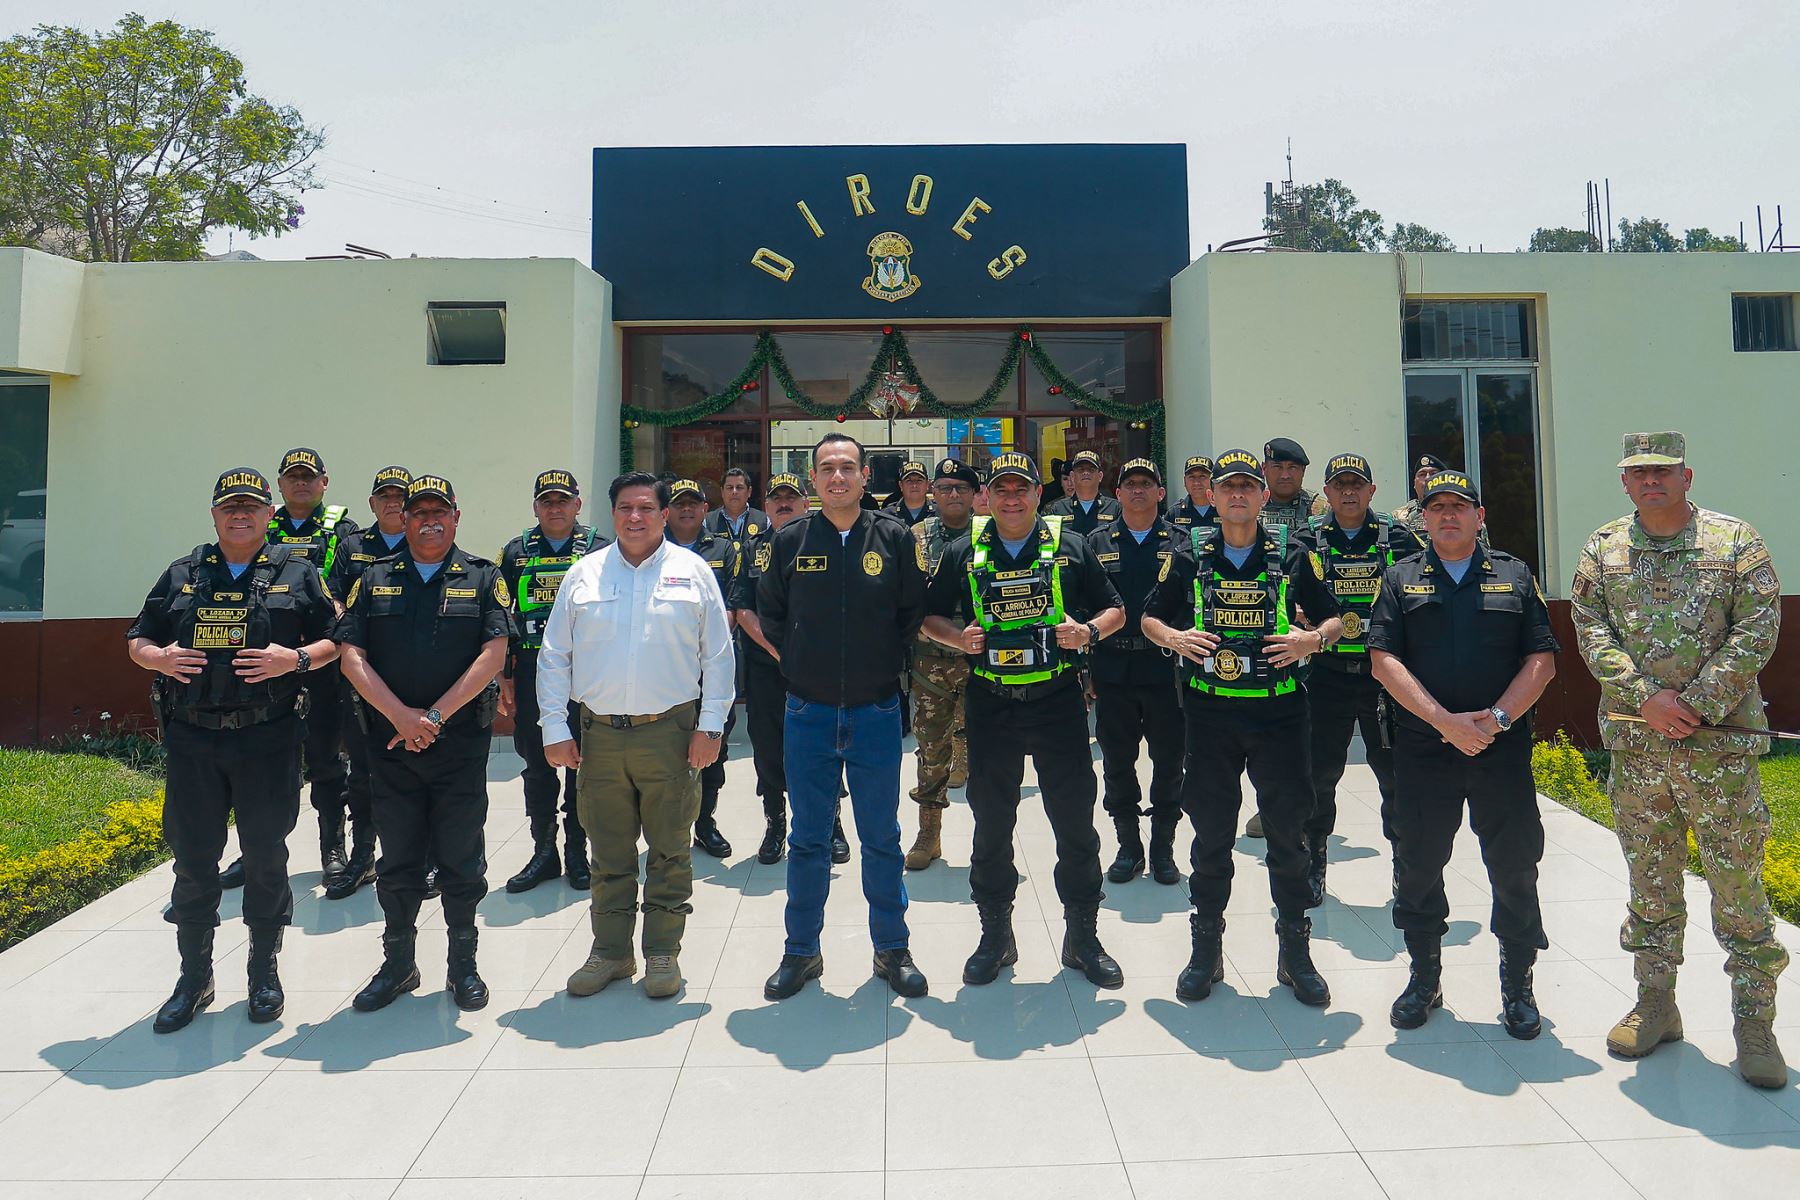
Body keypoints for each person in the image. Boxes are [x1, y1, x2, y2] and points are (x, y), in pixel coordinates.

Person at [1571, 432, 1788, 1088]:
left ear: (1687, 475)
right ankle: (1657, 1005)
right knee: (1652, 883)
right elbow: (1590, 627)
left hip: (1718, 747)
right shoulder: (1604, 549)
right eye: (1639, 473)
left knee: (1738, 888)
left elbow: (1759, 626)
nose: (1651, 481)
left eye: (1662, 470)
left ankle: (1755, 1025)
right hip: (1640, 749)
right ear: (1625, 482)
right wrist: (1646, 699)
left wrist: (1692, 702)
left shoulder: (1734, 542)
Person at [127, 468, 339, 1032]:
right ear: (214, 515)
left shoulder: (298, 572)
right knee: (194, 860)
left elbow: (337, 640)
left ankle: (262, 970)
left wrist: (291, 660)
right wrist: (160, 658)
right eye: (230, 507)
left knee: (266, 857)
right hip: (194, 738)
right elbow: (138, 639)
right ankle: (193, 979)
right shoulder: (183, 573)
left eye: (250, 506)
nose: (240, 515)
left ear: (269, 514)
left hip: (267, 737)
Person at [1142, 449, 1342, 1007]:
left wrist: (1311, 639)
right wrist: (1176, 639)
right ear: (1213, 494)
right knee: (1210, 835)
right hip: (1210, 716)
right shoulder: (1188, 553)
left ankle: (1294, 954)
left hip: (1279, 714)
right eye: (1226, 486)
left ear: (1260, 496)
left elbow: (1336, 617)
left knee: (1287, 835)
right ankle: (1206, 950)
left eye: (1246, 487)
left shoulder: (1296, 552)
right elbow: (1149, 616)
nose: (1236, 495)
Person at [922, 451, 1128, 989]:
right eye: (1002, 490)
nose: (1012, 499)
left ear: (1039, 494)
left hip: (1057, 701)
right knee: (992, 825)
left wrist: (1087, 632)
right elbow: (928, 615)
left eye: (1022, 489)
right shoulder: (965, 550)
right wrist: (956, 637)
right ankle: (996, 936)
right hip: (991, 704)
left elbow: (1116, 610)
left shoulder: (1072, 547)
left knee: (1075, 824)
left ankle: (1083, 935)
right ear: (986, 498)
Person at [1368, 468, 1558, 1039]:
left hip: (1499, 749)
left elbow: (1542, 661)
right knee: (1420, 863)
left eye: (1459, 506)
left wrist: (1495, 719)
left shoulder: (1515, 576)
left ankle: (1517, 984)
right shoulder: (1400, 579)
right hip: (1426, 749)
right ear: (1422, 519)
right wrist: (1444, 722)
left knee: (1515, 865)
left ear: (1480, 517)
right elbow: (1383, 661)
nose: (1448, 515)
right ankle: (1424, 977)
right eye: (1436, 507)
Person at [536, 472, 734, 999]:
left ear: (663, 514)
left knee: (670, 848)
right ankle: (610, 952)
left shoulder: (693, 573)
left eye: (646, 507)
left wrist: (710, 726)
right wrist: (554, 727)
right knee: (608, 851)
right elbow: (554, 655)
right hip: (599, 736)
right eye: (625, 508)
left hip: (670, 732)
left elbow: (717, 654)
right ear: (611, 513)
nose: (636, 517)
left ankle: (662, 953)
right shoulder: (584, 575)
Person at [756, 431, 930, 1001]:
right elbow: (771, 618)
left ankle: (892, 949)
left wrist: (880, 665)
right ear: (813, 479)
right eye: (826, 468)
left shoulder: (896, 538)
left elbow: (910, 615)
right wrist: (803, 662)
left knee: (881, 836)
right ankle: (800, 951)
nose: (837, 477)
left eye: (847, 468)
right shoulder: (787, 541)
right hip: (807, 712)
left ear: (864, 477)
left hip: (877, 711)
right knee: (808, 839)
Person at [338, 474, 510, 1013]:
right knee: (398, 861)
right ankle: (398, 964)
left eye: (440, 512)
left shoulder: (484, 577)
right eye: (417, 513)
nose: (429, 521)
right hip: (390, 748)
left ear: (456, 517)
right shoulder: (372, 580)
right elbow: (351, 656)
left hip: (458, 747)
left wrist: (433, 717)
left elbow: (494, 653)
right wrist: (401, 717)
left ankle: (463, 965)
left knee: (461, 859)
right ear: (402, 519)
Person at [1296, 453, 1422, 899]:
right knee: (1317, 774)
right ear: (1326, 493)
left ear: (1371, 491)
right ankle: (1313, 863)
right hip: (1324, 674)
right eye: (1339, 485)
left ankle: (1407, 867)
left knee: (1395, 774)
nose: (1348, 492)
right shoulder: (1305, 540)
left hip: (1382, 676)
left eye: (1357, 484)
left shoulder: (1399, 538)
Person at [497, 470, 608, 893]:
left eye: (563, 500)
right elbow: (502, 619)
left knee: (583, 766)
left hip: (588, 676)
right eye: (547, 501)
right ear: (536, 508)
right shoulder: (515, 552)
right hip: (531, 674)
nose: (555, 507)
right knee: (537, 764)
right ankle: (544, 853)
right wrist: (503, 677)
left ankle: (579, 853)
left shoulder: (600, 549)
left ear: (578, 505)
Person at [258, 447, 362, 896]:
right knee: (259, 763)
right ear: (279, 484)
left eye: (309, 476)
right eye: (292, 476)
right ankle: (255, 852)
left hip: (321, 658)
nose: (301, 483)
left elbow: (349, 587)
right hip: (266, 661)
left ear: (324, 482)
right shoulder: (261, 523)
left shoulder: (343, 529)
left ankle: (332, 849)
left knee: (324, 759)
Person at [320, 464, 415, 900]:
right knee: (362, 770)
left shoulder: (427, 541)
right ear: (372, 503)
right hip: (359, 672)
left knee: (417, 769)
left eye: (401, 496)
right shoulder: (353, 545)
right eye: (385, 497)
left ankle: (423, 857)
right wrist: (352, 626)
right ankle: (363, 855)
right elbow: (333, 594)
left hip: (412, 673)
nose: (393, 503)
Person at [1089, 458, 1185, 886]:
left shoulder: (1182, 544)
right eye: (1129, 484)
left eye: (1147, 484)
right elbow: (1082, 606)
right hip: (1113, 669)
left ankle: (1163, 848)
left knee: (1169, 761)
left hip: (1166, 671)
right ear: (1119, 493)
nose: (1138, 490)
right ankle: (1128, 847)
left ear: (1161, 493)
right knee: (1117, 762)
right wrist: (1085, 669)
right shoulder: (1096, 541)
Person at [903, 458, 979, 870]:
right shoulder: (914, 537)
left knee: (986, 749)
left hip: (979, 658)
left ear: (974, 495)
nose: (953, 495)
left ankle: (989, 836)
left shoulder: (989, 533)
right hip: (929, 660)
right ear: (933, 493)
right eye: (946, 487)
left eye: (961, 488)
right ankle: (928, 834)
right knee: (931, 748)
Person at [733, 473, 811, 864]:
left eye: (791, 497)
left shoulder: (825, 541)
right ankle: (776, 822)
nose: (784, 503)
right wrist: (780, 651)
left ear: (805, 503)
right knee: (768, 748)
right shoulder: (750, 549)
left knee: (820, 747)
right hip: (767, 670)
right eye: (776, 497)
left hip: (818, 670)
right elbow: (742, 609)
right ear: (765, 506)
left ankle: (828, 821)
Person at [666, 478, 744, 858]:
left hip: (710, 666)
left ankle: (705, 822)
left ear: (703, 508)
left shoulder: (724, 550)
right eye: (678, 503)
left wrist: (702, 639)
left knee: (713, 744)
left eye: (693, 503)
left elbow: (732, 605)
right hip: (664, 668)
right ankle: (667, 826)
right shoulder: (653, 549)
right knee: (665, 748)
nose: (686, 510)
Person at [1043, 449, 1121, 537]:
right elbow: (1047, 543)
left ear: (1100, 476)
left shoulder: (1115, 508)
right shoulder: (1056, 509)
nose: (1086, 473)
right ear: (1072, 476)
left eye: (1091, 470)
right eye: (1081, 470)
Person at [1259, 437, 1323, 534]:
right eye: (1277, 467)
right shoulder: (1251, 506)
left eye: (1292, 468)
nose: (1285, 476)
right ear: (1264, 469)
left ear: (1303, 471)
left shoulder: (1320, 508)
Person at [705, 466, 768, 543]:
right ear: (722, 492)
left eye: (739, 487)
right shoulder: (706, 522)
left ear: (749, 492)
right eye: (730, 487)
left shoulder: (765, 521)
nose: (734, 492)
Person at [1167, 455, 1216, 537]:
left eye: (1202, 476)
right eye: (1191, 477)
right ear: (1184, 481)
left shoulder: (1223, 510)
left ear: (1212, 480)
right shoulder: (1175, 513)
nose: (1196, 482)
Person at [882, 460, 937, 526]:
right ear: (901, 485)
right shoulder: (887, 516)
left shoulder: (941, 513)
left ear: (927, 484)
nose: (914, 485)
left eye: (919, 481)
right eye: (909, 481)